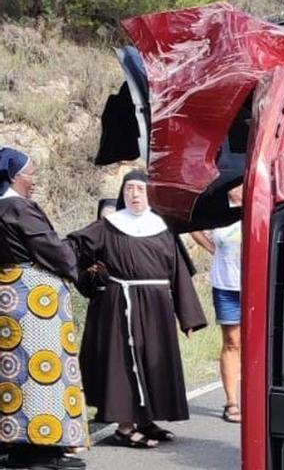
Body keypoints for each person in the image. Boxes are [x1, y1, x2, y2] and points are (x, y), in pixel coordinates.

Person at [67, 170, 206, 449]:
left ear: (150, 193)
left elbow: (178, 273)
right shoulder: (108, 227)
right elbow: (70, 248)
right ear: (122, 193)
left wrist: (187, 316)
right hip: (121, 304)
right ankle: (125, 426)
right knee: (124, 366)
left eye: (140, 189)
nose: (134, 194)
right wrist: (91, 275)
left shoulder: (162, 228)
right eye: (129, 189)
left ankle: (145, 421)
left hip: (157, 307)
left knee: (154, 361)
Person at [0, 147, 88, 469]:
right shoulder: (18, 208)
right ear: (14, 176)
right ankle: (43, 451)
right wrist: (75, 255)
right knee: (42, 372)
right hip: (34, 303)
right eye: (30, 173)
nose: (33, 180)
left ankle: (17, 448)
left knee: (15, 374)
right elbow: (55, 252)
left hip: (7, 298)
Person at [190, 185, 242, 423]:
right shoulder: (218, 210)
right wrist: (211, 248)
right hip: (226, 286)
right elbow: (193, 224)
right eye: (233, 185)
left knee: (257, 346)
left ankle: (257, 400)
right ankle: (232, 402)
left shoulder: (259, 203)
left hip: (256, 286)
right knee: (232, 342)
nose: (237, 189)